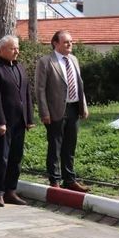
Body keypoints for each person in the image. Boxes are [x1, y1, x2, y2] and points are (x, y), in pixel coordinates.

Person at [0, 35, 35, 207]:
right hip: (4, 122)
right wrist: (0, 121)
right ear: (1, 50)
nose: (17, 51)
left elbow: (27, 94)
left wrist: (29, 118)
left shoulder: (20, 67)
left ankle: (11, 190)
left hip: (19, 121)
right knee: (2, 157)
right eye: (13, 48)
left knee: (16, 157)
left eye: (18, 48)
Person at [35, 30, 89, 192]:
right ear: (55, 43)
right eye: (66, 42)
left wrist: (83, 106)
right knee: (55, 146)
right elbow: (40, 89)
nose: (69, 44)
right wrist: (44, 112)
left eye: (71, 41)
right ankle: (55, 180)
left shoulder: (73, 60)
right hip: (55, 111)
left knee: (70, 146)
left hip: (73, 108)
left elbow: (80, 84)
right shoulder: (45, 62)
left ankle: (70, 179)